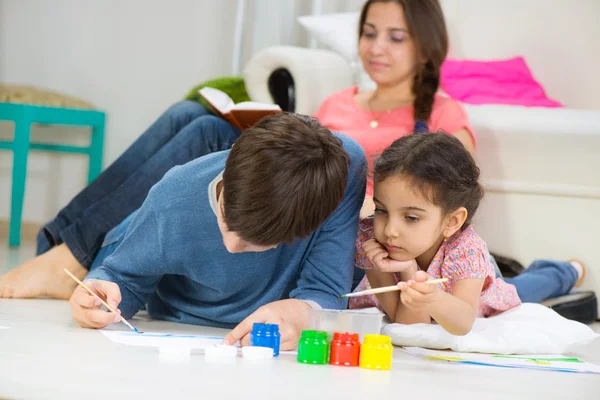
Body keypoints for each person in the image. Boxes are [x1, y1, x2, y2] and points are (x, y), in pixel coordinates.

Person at [68, 112, 366, 349]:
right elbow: (124, 280)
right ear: (226, 175)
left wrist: (304, 312)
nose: (232, 245)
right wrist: (100, 294)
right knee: (106, 259)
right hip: (174, 302)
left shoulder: (341, 171)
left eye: (257, 241)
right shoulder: (173, 197)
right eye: (226, 218)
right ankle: (66, 256)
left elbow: (327, 294)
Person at [350, 133, 586, 335]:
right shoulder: (371, 238)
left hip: (477, 292)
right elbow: (408, 323)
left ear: (452, 221)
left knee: (522, 290)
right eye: (381, 210)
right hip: (440, 282)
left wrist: (431, 297)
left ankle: (565, 272)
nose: (390, 230)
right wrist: (409, 269)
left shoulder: (466, 249)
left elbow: (462, 324)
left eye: (411, 218)